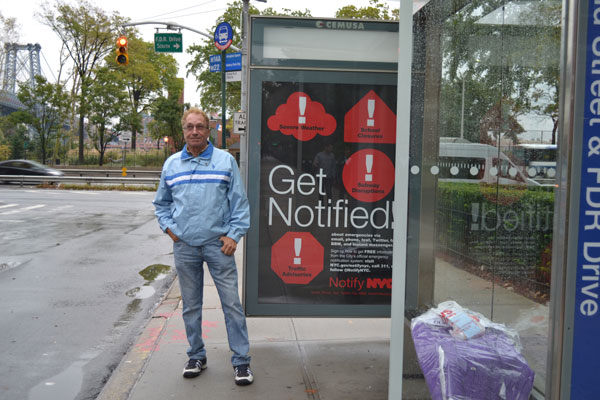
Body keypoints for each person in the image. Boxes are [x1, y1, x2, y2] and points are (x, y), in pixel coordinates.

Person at [153, 108, 253, 386]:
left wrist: (234, 235)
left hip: (219, 246)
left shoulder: (224, 161)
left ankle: (241, 361)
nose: (194, 131)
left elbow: (239, 203)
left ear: (209, 131)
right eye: (189, 127)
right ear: (183, 131)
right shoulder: (172, 164)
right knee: (191, 306)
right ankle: (196, 355)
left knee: (231, 304)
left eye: (200, 127)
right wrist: (170, 230)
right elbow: (161, 204)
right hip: (185, 246)